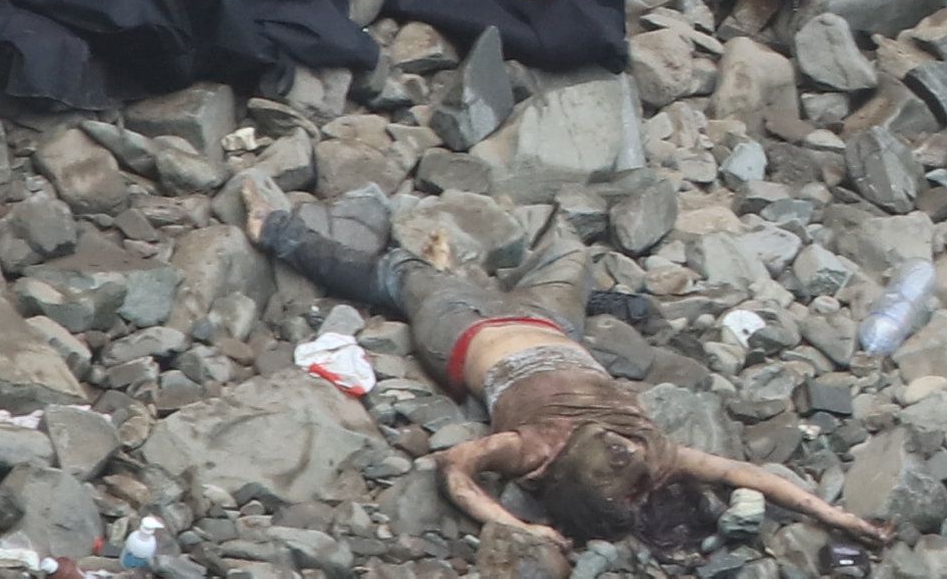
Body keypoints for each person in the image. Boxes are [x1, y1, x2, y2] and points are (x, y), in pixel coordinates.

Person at [236, 175, 889, 552]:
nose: (627, 455)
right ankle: (520, 253)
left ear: (575, 482)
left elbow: (455, 470)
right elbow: (752, 473)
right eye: (636, 468)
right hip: (553, 320)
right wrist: (834, 516)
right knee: (572, 249)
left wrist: (522, 529)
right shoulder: (656, 453)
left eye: (615, 472)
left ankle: (279, 230)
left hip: (465, 328)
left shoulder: (535, 451)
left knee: (401, 272)